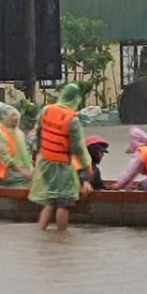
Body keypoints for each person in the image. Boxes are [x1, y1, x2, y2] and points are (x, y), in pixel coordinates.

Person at [29, 83, 92, 231]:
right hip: (62, 165)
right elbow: (78, 148)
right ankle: (62, 237)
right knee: (64, 202)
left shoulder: (46, 110)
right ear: (76, 99)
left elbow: (37, 134)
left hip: (45, 162)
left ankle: (41, 231)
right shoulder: (72, 119)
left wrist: (35, 155)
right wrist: (87, 167)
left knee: (51, 201)